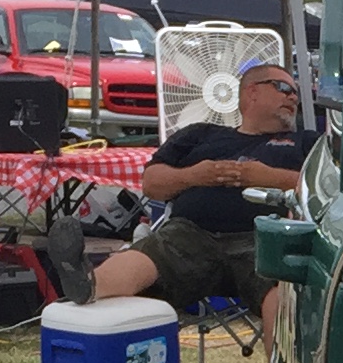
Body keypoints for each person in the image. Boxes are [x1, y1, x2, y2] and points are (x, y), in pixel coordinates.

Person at [90, 61, 313, 343]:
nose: (293, 97)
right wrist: (194, 175)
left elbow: (325, 187)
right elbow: (152, 184)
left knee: (282, 296)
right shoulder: (200, 135)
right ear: (252, 92)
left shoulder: (306, 142)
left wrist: (266, 177)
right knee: (142, 259)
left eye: (295, 93)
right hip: (191, 235)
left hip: (264, 237)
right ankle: (87, 285)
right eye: (283, 88)